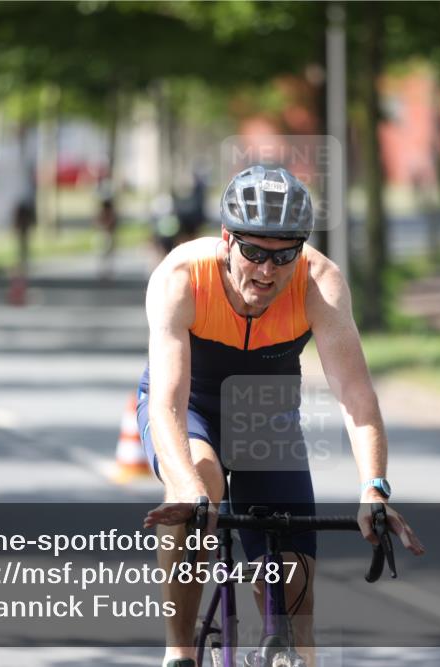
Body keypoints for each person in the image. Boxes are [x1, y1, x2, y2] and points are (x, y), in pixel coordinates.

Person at [138, 165, 425, 667]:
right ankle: (179, 650)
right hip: (193, 406)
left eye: (284, 255)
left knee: (295, 598)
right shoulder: (181, 277)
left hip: (264, 414)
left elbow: (357, 397)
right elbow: (168, 402)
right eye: (253, 252)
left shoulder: (320, 283)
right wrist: (186, 487)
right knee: (201, 486)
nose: (267, 271)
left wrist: (373, 487)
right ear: (226, 240)